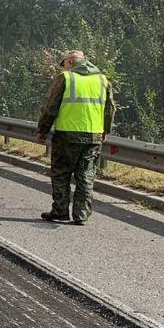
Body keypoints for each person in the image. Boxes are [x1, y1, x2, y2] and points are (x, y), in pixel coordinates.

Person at [37, 49, 115, 225]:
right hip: (93, 136)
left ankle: (60, 211)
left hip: (67, 135)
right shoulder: (102, 79)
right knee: (86, 175)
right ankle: (81, 215)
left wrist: (43, 130)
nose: (64, 67)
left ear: (70, 62)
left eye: (64, 63)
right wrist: (105, 130)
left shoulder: (66, 78)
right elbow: (109, 108)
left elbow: (51, 106)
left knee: (61, 174)